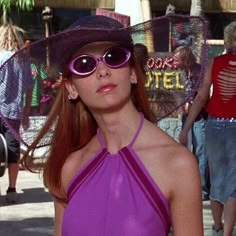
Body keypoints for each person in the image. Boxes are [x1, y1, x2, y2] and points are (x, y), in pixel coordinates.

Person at [6, 15, 203, 235]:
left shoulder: (178, 164)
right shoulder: (69, 166)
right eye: (84, 64)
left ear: (133, 73)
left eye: (114, 56)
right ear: (71, 88)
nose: (102, 71)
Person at [179, 21, 236, 236]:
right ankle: (228, 232)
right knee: (234, 181)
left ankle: (218, 227)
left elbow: (202, 96)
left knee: (217, 175)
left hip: (213, 124)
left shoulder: (214, 62)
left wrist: (186, 128)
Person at [0, 24, 33, 203]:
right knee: (12, 149)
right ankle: (12, 189)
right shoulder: (23, 60)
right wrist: (26, 113)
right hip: (14, 113)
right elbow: (29, 88)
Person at [173, 45, 210, 201]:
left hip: (200, 117)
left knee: (201, 152)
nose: (173, 61)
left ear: (184, 58)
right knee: (186, 152)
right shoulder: (183, 72)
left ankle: (202, 190)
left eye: (176, 59)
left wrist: (192, 103)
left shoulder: (199, 72)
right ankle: (187, 185)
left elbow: (204, 96)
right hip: (187, 117)